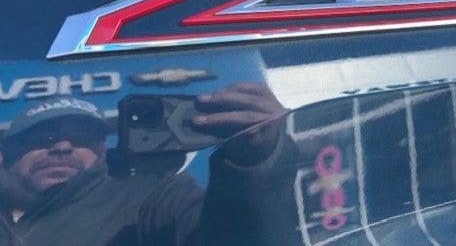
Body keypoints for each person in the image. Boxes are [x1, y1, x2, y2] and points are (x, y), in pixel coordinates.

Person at [0, 83, 291, 246]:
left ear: (101, 150)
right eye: (44, 138)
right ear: (8, 153)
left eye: (81, 138)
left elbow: (231, 238)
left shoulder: (153, 196)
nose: (62, 147)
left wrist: (254, 164)